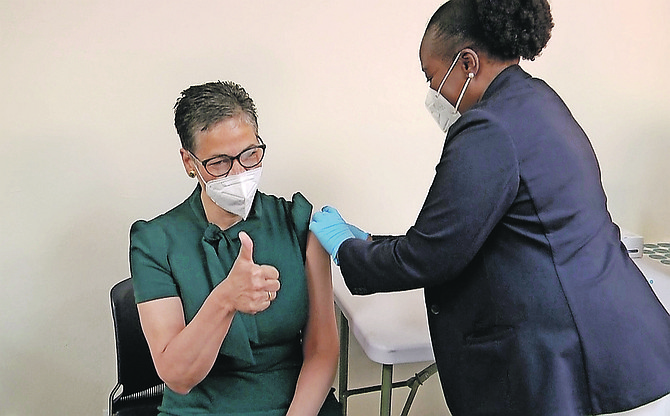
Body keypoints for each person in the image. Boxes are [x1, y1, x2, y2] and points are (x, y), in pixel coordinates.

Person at [309, 1, 670, 415]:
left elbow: (432, 254)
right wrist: (373, 242)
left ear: (467, 64)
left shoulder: (488, 127)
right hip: (625, 345)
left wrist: (346, 249)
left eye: (431, 77)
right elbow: (476, 231)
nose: (433, 93)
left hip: (581, 362)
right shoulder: (539, 102)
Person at [129, 81, 340, 416]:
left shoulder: (299, 224)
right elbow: (178, 376)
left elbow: (322, 350)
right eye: (219, 163)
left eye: (250, 154)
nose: (240, 172)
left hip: (297, 406)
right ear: (189, 162)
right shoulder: (155, 242)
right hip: (199, 409)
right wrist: (225, 299)